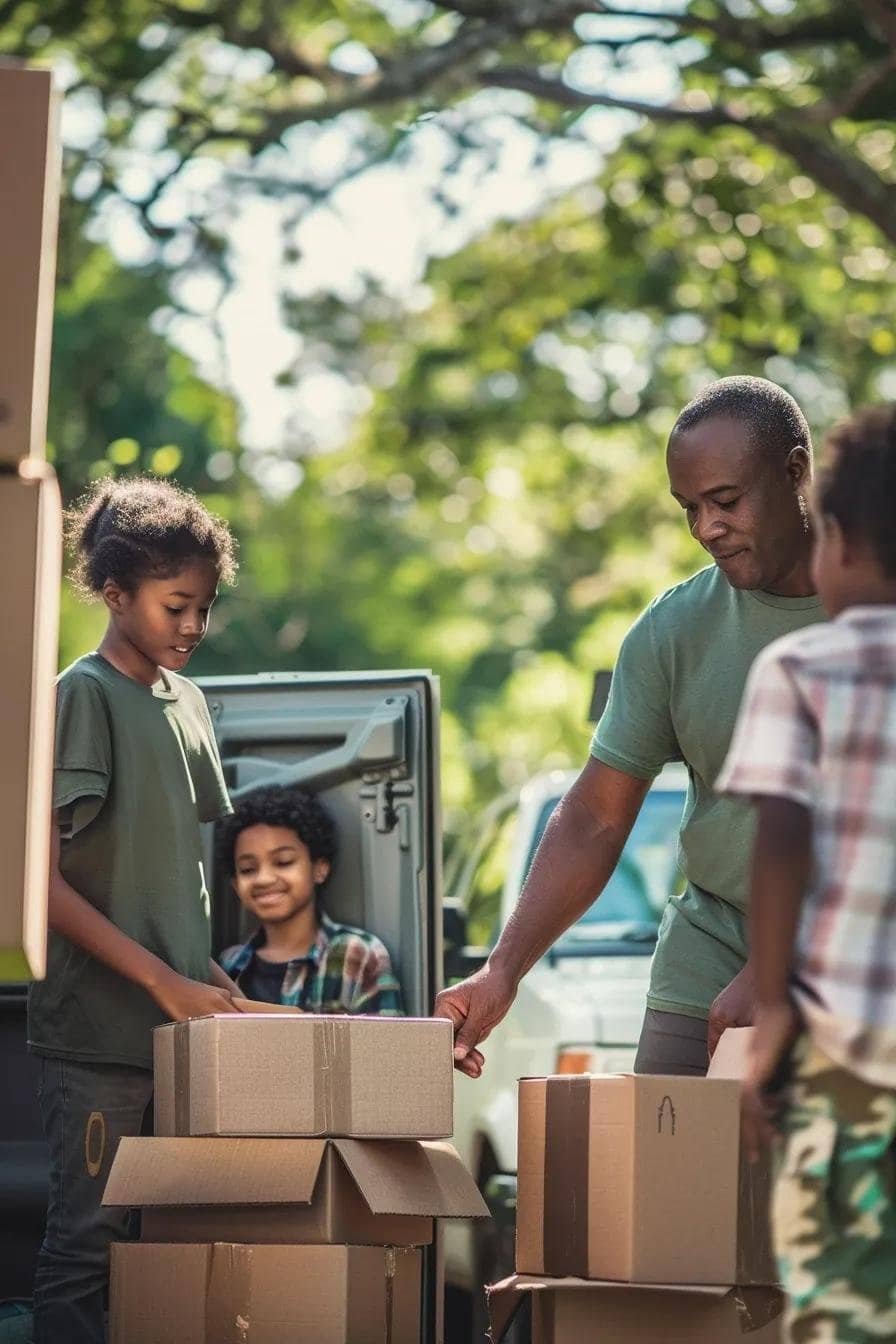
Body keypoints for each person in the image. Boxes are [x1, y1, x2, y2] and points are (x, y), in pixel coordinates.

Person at [435, 376, 825, 1079]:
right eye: (690, 508)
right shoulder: (673, 631)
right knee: (665, 1172)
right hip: (714, 947)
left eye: (727, 501)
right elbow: (594, 817)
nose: (707, 528)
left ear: (795, 471)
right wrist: (503, 970)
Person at [29, 477, 241, 1344]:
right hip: (100, 1039)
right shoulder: (79, 696)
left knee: (172, 1247)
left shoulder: (188, 701)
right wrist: (161, 980)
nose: (193, 625)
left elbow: (174, 873)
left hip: (183, 1030)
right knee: (88, 1246)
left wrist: (204, 977)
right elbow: (36, 886)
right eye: (176, 605)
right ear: (115, 595)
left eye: (205, 606)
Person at [717, 405, 896, 1343]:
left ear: (840, 540)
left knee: (839, 1295)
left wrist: (775, 1010)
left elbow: (780, 843)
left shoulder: (803, 668)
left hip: (847, 1056)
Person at [217, 785, 404, 1014]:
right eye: (247, 869)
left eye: (283, 862)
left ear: (319, 868)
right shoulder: (228, 966)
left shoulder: (357, 954)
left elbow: (389, 1045)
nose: (263, 878)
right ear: (236, 884)